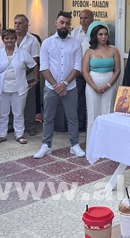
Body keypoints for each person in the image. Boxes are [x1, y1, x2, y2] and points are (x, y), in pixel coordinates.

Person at [34, 11, 85, 159]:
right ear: (56, 23)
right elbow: (44, 67)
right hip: (51, 87)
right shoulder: (47, 43)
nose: (64, 26)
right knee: (48, 118)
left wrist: (65, 84)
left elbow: (77, 67)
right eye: (62, 22)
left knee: (72, 117)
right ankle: (46, 145)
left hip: (70, 87)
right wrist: (57, 85)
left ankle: (74, 145)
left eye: (67, 23)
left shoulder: (76, 43)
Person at [0, 28, 38, 145]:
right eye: (7, 38)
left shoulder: (23, 53)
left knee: (18, 113)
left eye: (12, 38)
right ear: (3, 40)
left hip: (19, 88)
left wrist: (36, 79)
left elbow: (34, 65)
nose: (9, 40)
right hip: (1, 88)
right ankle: (2, 135)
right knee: (3, 113)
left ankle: (19, 134)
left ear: (16, 39)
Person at [82, 23, 121, 147]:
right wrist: (94, 87)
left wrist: (108, 85)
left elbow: (117, 70)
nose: (103, 37)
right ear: (95, 36)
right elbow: (85, 71)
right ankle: (92, 146)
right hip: (92, 85)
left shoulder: (114, 50)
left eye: (105, 34)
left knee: (108, 113)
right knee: (92, 115)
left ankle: (107, 146)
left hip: (109, 84)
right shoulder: (89, 51)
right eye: (100, 34)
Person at [14, 14, 41, 136]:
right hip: (12, 77)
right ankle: (12, 124)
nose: (17, 25)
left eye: (20, 23)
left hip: (28, 76)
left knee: (29, 102)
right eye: (15, 23)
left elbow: (35, 60)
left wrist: (23, 73)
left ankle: (30, 125)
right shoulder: (10, 38)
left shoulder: (33, 40)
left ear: (26, 25)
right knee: (12, 101)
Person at [71, 9, 94, 132]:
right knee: (79, 98)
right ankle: (80, 124)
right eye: (81, 18)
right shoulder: (75, 32)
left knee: (92, 97)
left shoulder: (96, 31)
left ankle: (92, 123)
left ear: (92, 19)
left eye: (86, 18)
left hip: (93, 71)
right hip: (79, 71)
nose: (83, 20)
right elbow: (72, 52)